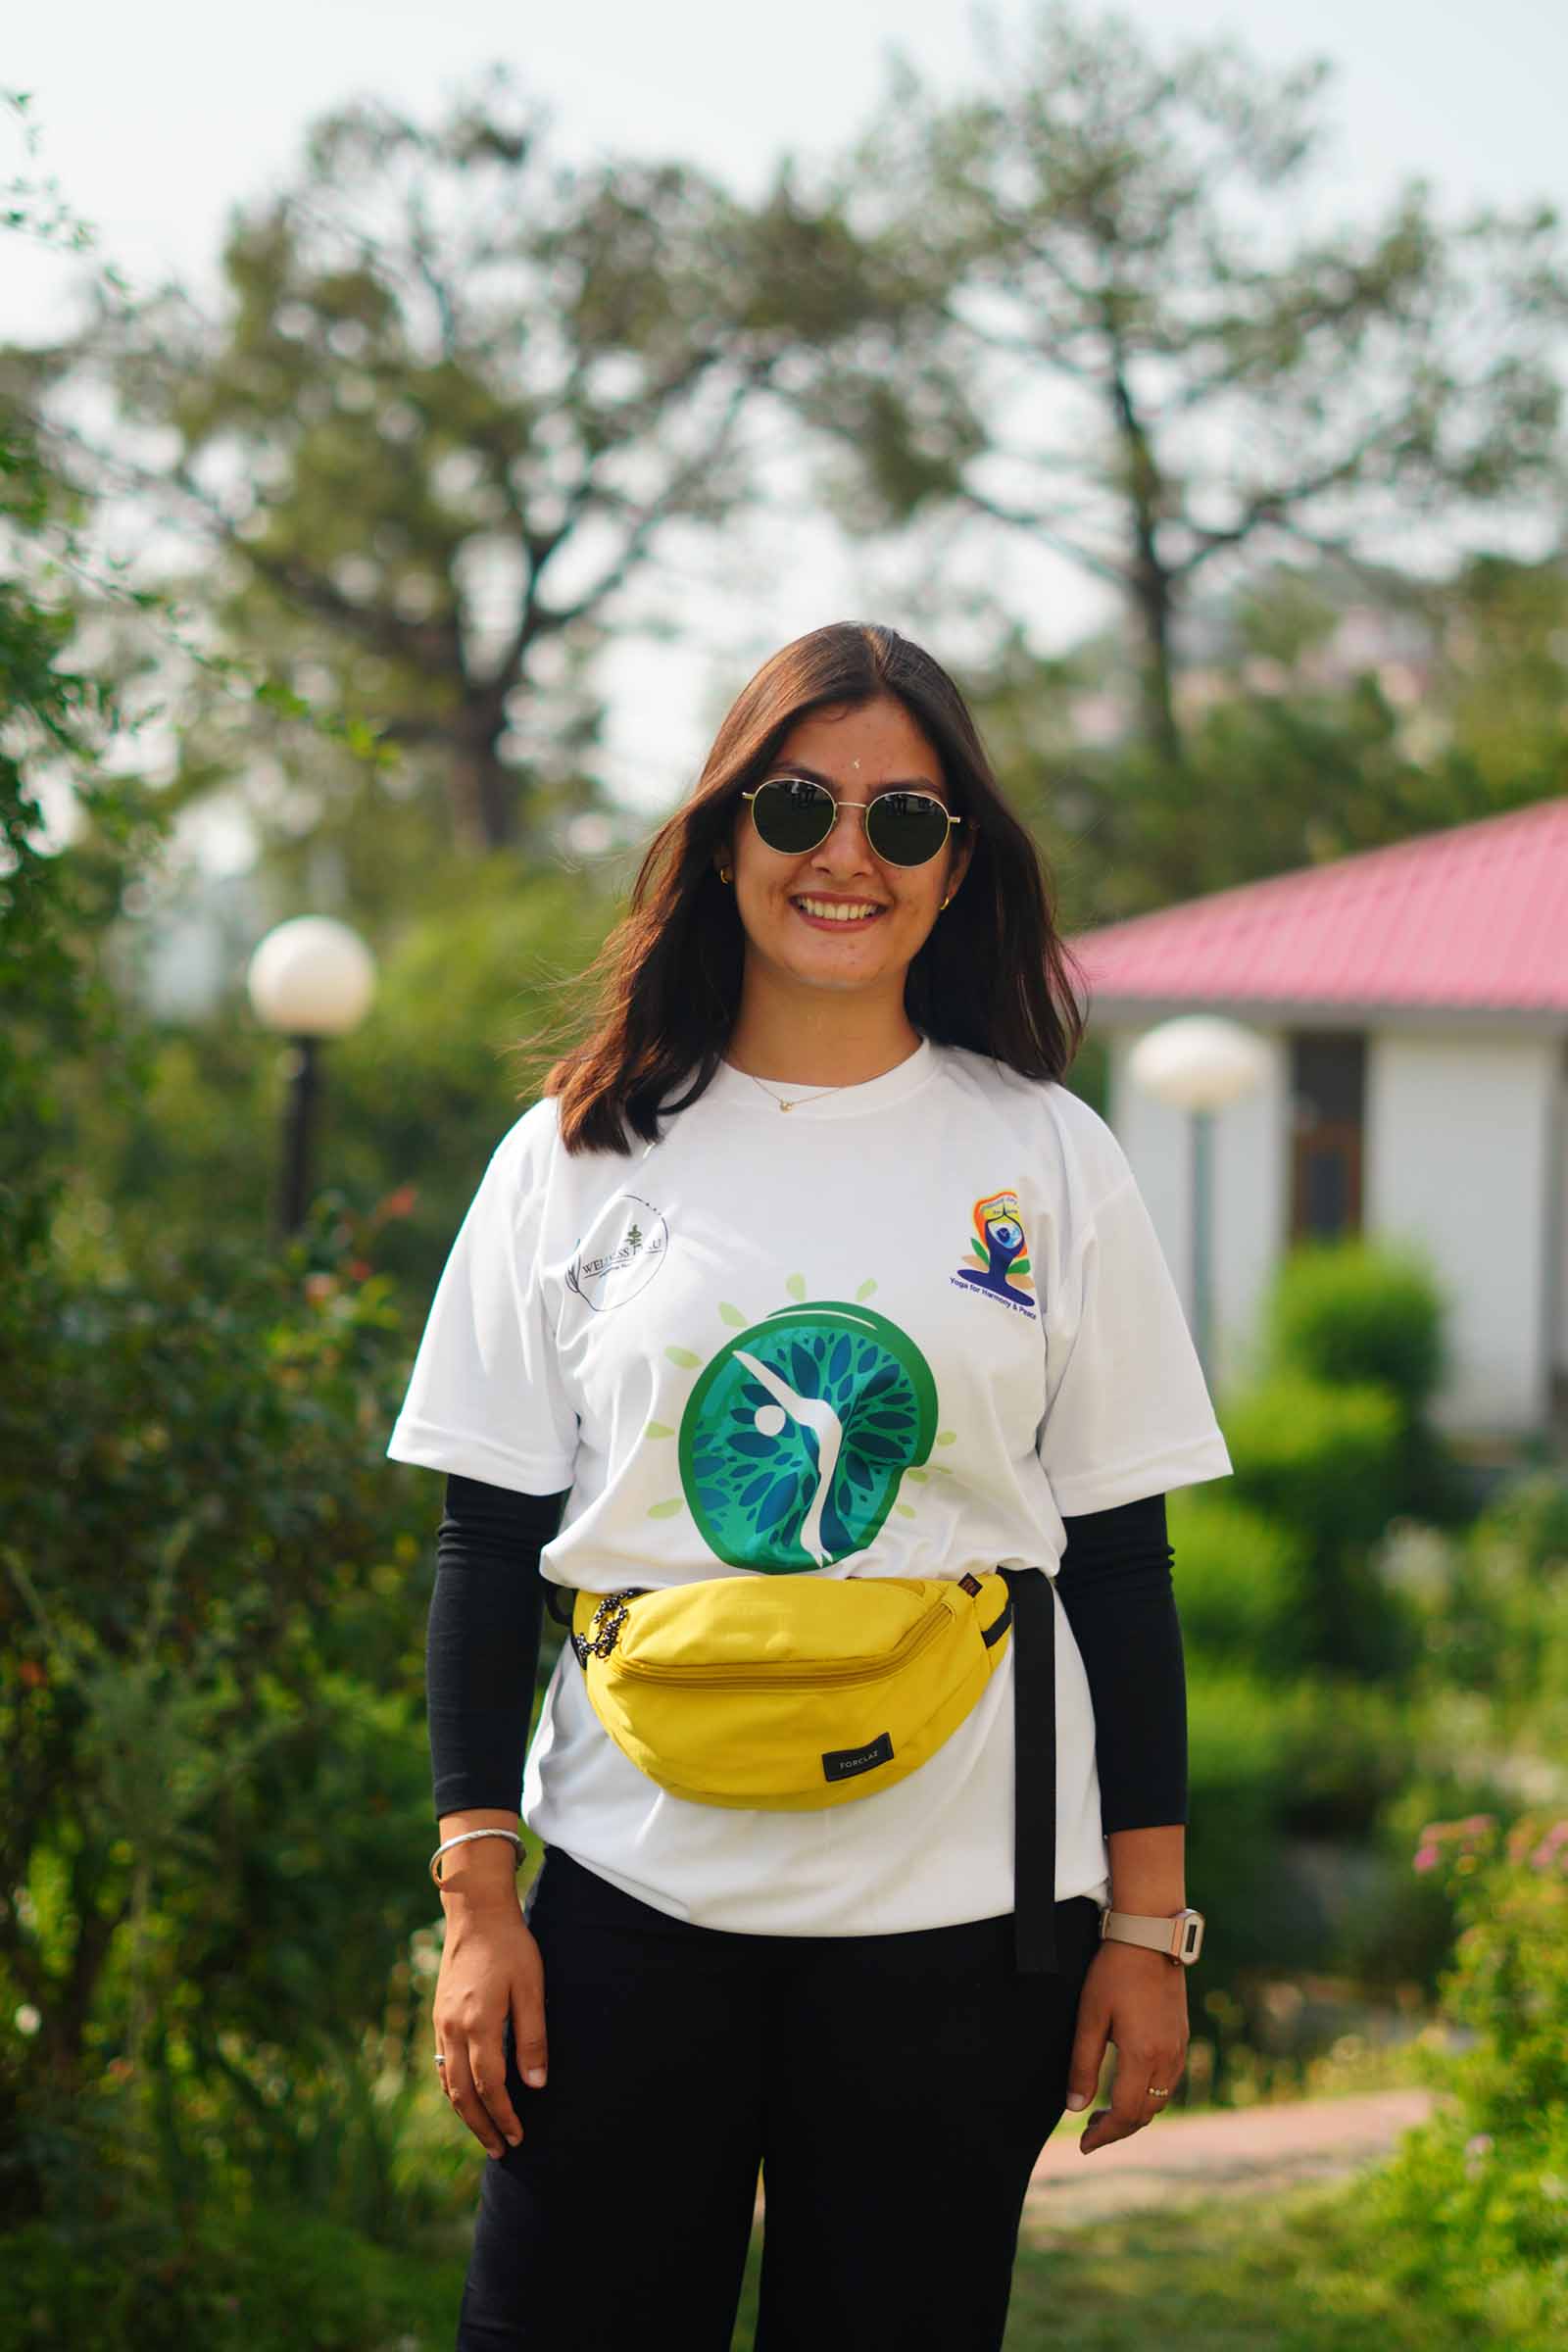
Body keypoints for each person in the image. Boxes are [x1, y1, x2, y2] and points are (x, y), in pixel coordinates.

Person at [387, 620, 1234, 2351]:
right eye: (796, 807)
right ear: (722, 838)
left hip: (963, 1934)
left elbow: (1121, 1566)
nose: (846, 855)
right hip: (629, 1903)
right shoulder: (576, 1151)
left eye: (902, 820)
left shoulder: (1047, 1156)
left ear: (955, 866)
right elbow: (485, 1540)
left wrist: (1148, 1929)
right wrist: (480, 1903)